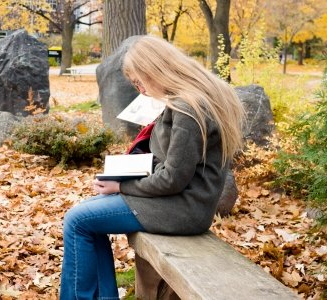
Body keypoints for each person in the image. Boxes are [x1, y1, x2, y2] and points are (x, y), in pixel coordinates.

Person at [59, 36, 245, 300]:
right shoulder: (189, 100)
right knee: (86, 217)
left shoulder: (188, 108)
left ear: (154, 70)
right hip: (182, 203)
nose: (141, 90)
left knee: (78, 220)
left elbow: (172, 179)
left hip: (181, 208)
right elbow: (171, 163)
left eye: (139, 81)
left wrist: (121, 185)